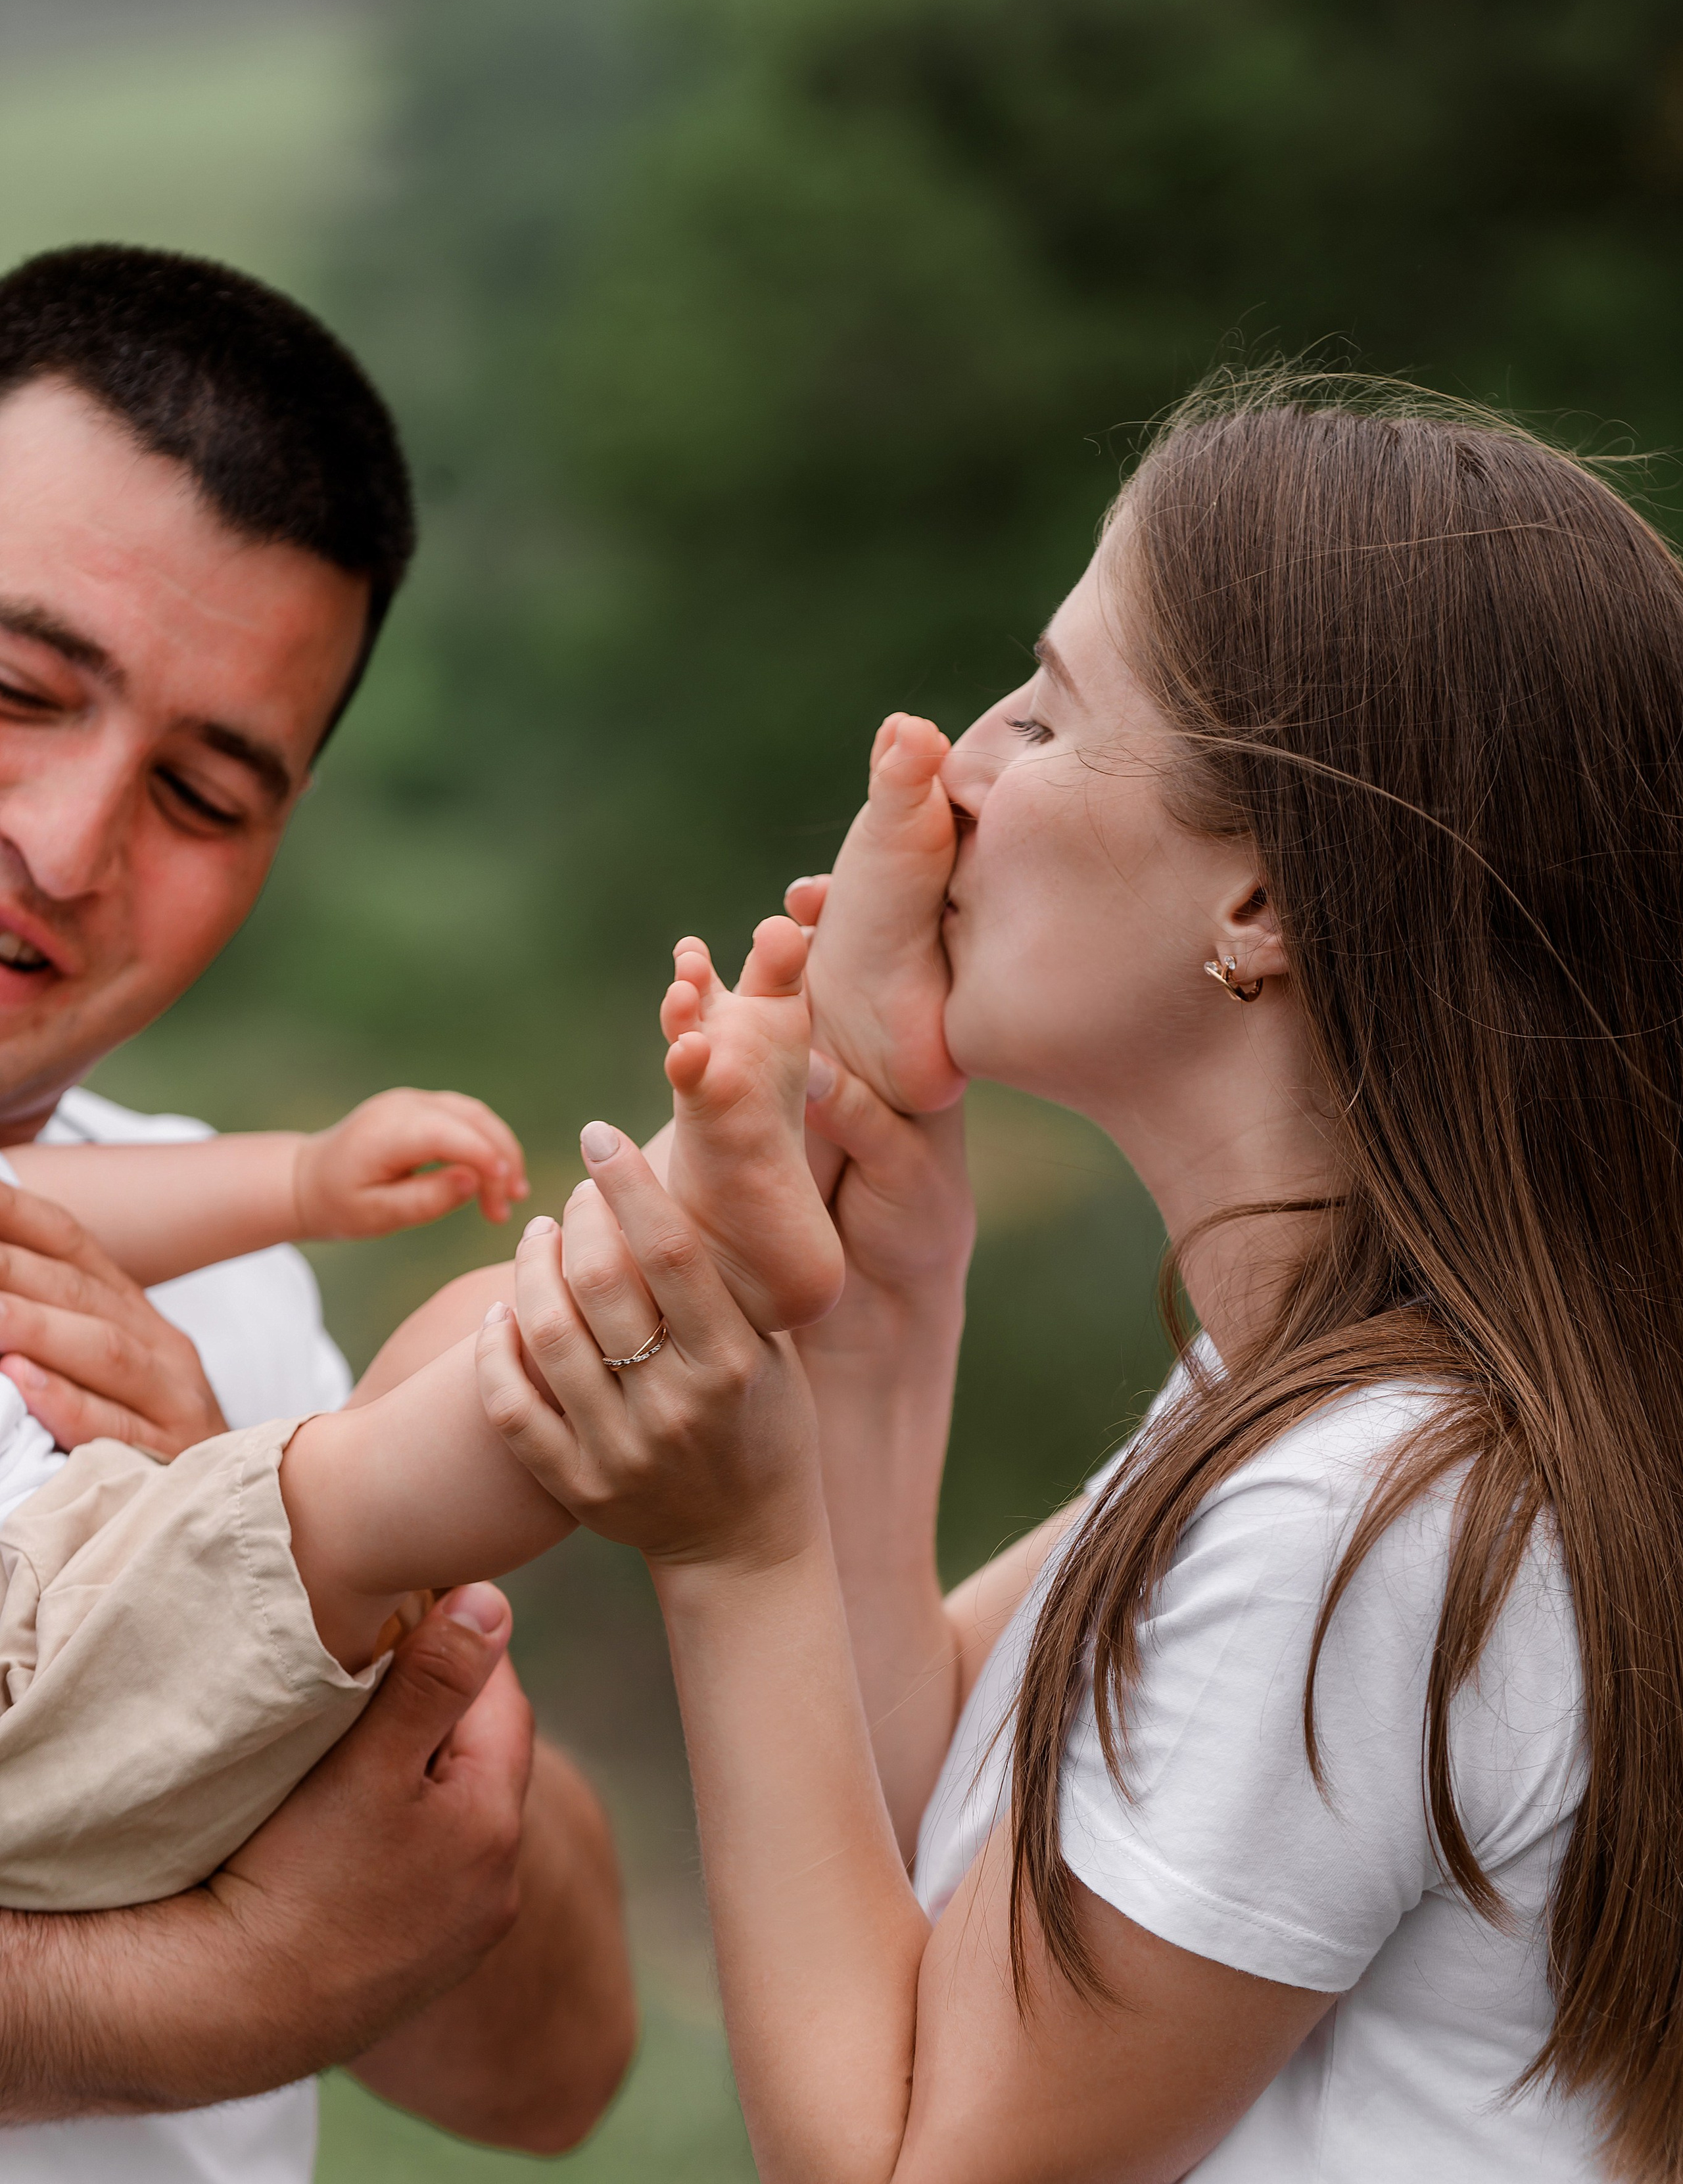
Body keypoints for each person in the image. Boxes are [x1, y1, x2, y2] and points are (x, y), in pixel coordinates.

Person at [473, 381, 1683, 2180]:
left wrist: (739, 1548)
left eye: (1045, 711)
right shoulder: (1315, 1410)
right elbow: (915, 1862)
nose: (952, 766)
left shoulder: (1367, 1514)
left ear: (1262, 907)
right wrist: (871, 1336)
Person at [0, 245, 633, 2175]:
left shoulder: (221, 1303)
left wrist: (267, 1576)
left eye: (203, 795)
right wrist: (216, 2000)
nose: (67, 845)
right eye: (18, 688)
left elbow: (557, 2070)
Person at [0, 926, 836, 1912]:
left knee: (451, 1354)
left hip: (157, 1644)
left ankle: (658, 1231)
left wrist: (302, 1179)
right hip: (48, 1680)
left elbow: (26, 1203)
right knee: (352, 1496)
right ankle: (683, 1240)